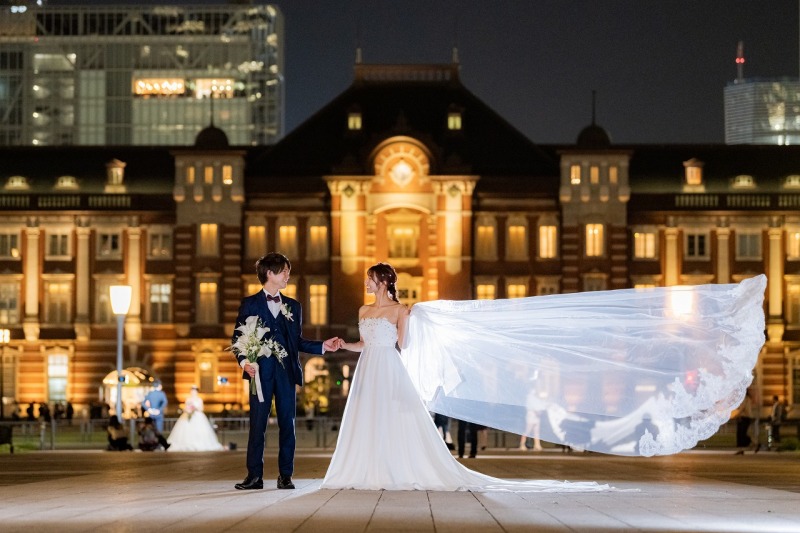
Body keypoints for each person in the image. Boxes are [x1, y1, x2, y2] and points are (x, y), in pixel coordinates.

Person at [321, 264, 767, 492]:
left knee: (395, 422)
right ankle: (366, 468)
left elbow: (401, 346)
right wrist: (345, 346)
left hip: (388, 368)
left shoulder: (402, 311)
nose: (365, 283)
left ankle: (394, 468)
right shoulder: (363, 312)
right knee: (367, 421)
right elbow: (368, 343)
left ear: (383, 281)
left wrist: (425, 334)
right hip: (367, 368)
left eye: (369, 279)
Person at [231, 252, 339, 491]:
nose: (287, 276)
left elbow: (296, 342)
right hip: (258, 373)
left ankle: (285, 475)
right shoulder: (249, 304)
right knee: (257, 425)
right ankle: (254, 477)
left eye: (287, 271)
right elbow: (238, 338)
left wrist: (323, 346)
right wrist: (244, 363)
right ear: (270, 273)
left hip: (286, 373)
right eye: (284, 271)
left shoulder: (293, 306)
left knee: (287, 425)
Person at [167, 386, 224, 452]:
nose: (193, 392)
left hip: (198, 416)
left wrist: (195, 408)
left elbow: (201, 409)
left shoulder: (199, 400)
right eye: (192, 391)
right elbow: (186, 407)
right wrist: (187, 410)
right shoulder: (188, 399)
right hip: (188, 416)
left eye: (194, 391)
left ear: (197, 392)